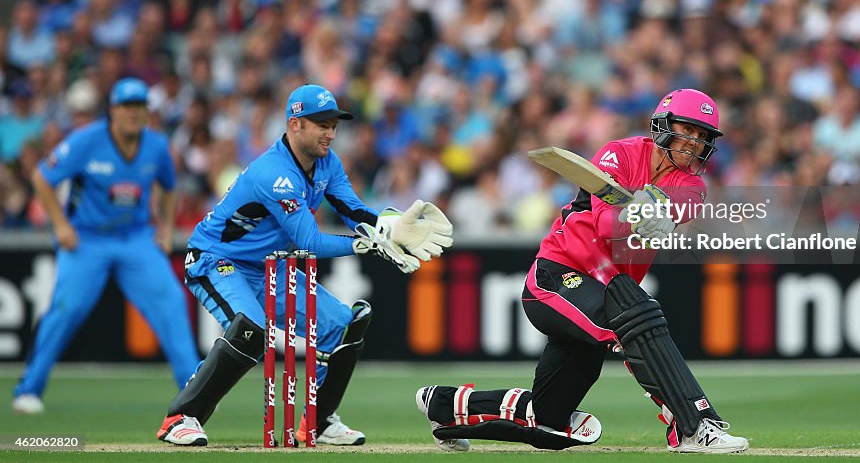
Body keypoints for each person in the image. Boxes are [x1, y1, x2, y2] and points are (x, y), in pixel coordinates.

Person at [415, 89, 750, 454]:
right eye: (688, 130)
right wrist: (635, 214)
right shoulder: (618, 153)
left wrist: (658, 208)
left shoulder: (692, 185)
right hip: (557, 278)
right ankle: (693, 426)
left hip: (606, 293)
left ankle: (446, 407)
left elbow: (680, 204)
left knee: (550, 419)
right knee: (636, 315)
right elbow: (605, 225)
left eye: (703, 138)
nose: (695, 143)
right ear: (664, 127)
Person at [156, 84, 452, 447]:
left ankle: (318, 421)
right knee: (250, 330)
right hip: (217, 260)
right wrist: (370, 246)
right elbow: (309, 242)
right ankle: (180, 417)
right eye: (321, 125)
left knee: (345, 325)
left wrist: (389, 227)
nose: (330, 133)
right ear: (295, 125)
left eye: (333, 126)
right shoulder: (274, 175)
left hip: (268, 268)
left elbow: (353, 210)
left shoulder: (328, 162)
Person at [12, 78, 200, 414]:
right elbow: (43, 177)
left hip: (136, 237)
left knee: (171, 302)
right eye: (127, 106)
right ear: (112, 110)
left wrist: (167, 226)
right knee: (67, 309)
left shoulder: (156, 146)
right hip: (87, 239)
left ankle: (194, 392)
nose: (133, 113)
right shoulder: (86, 140)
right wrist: (60, 224)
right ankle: (29, 390)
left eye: (140, 106)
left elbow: (170, 187)